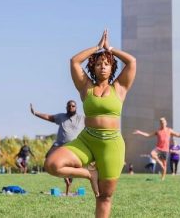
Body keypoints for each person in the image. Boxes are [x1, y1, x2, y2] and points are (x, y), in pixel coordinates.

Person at [44, 29, 136, 218]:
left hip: (111, 145)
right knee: (52, 164)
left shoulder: (119, 87)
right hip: (87, 140)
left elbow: (132, 62)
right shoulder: (86, 87)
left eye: (107, 64)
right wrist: (97, 47)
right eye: (99, 64)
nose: (103, 67)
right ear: (93, 67)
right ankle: (88, 174)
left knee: (105, 196)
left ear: (112, 68)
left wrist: (109, 49)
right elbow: (74, 61)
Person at [30, 101, 84, 195]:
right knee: (49, 158)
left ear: (76, 107)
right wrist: (35, 113)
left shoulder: (82, 118)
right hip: (59, 145)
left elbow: (94, 121)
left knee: (70, 167)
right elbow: (48, 117)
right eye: (69, 106)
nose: (71, 107)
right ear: (66, 107)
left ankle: (68, 188)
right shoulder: (61, 117)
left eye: (73, 106)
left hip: (73, 147)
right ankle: (65, 179)